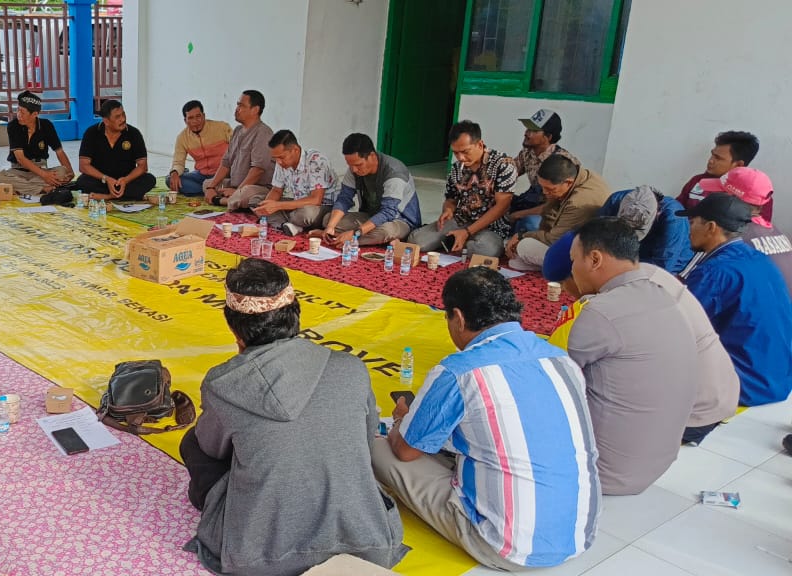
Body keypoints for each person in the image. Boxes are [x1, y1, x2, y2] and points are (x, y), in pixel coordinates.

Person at [181, 258, 407, 575]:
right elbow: (366, 438)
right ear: (295, 315)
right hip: (365, 542)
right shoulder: (351, 367)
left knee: (194, 441)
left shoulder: (224, 383)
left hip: (258, 555)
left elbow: (212, 448)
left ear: (234, 328)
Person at [373, 266, 598, 571]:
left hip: (502, 544)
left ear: (459, 318)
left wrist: (402, 420)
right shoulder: (560, 360)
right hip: (578, 534)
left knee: (376, 445)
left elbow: (405, 451)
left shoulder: (461, 370)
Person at [543, 231, 739, 445]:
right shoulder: (653, 275)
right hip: (721, 398)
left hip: (689, 416)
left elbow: (558, 366)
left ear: (593, 261)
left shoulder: (607, 306)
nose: (565, 291)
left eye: (563, 282)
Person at [566, 218, 699, 494]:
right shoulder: (665, 297)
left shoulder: (601, 311)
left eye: (573, 260)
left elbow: (551, 375)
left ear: (594, 259)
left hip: (601, 470)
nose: (572, 270)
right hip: (655, 463)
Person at [678, 194, 792, 406]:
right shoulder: (760, 260)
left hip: (745, 385)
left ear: (711, 227)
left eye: (692, 222)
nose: (688, 229)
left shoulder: (714, 272)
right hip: (779, 379)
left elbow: (681, 329)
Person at [408, 121, 516, 257]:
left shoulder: (503, 165)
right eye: (455, 153)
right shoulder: (456, 168)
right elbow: (451, 199)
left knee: (484, 251)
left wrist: (468, 232)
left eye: (465, 152)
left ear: (480, 144)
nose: (460, 158)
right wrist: (448, 210)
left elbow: (502, 206)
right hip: (461, 220)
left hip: (491, 226)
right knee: (416, 241)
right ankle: (459, 240)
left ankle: (460, 240)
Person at [681, 166, 792, 298]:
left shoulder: (729, 233)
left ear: (731, 201)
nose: (709, 197)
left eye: (716, 194)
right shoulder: (777, 233)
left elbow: (687, 288)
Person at [505, 154, 611, 271]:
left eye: (550, 189)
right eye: (543, 187)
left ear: (568, 182)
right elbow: (549, 216)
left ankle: (567, 271)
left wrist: (522, 235)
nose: (545, 192)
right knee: (516, 262)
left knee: (524, 246)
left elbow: (554, 239)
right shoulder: (584, 176)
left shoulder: (578, 202)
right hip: (574, 241)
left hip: (583, 256)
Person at [320, 133, 420, 246]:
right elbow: (344, 198)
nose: (354, 170)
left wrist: (355, 234)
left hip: (400, 220)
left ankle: (347, 240)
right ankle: (346, 237)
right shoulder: (354, 169)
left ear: (372, 156)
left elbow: (388, 212)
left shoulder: (394, 172)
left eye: (358, 165)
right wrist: (330, 227)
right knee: (328, 219)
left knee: (385, 231)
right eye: (350, 165)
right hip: (371, 216)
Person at [246, 130, 338, 236]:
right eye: (275, 158)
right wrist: (267, 207)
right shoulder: (281, 163)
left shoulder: (316, 161)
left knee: (306, 214)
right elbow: (276, 190)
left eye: (281, 157)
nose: (278, 162)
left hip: (320, 207)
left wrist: (277, 206)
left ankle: (291, 224)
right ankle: (287, 225)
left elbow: (316, 200)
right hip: (296, 204)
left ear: (295, 150)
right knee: (256, 201)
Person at [0, 91, 76, 195]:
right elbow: (20, 158)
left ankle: (23, 188)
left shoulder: (46, 125)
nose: (19, 115)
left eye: (23, 112)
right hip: (18, 171)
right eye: (18, 110)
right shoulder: (13, 125)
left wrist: (70, 172)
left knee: (62, 172)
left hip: (40, 169)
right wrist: (45, 176)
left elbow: (59, 151)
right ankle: (42, 189)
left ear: (35, 114)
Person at [508, 109, 580, 232]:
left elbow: (553, 206)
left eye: (534, 130)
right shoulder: (527, 152)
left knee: (530, 224)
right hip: (534, 203)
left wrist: (518, 214)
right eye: (527, 129)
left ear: (548, 137)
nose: (526, 133)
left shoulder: (562, 162)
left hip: (555, 211)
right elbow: (510, 174)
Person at [595, 186, 692, 274]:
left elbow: (662, 267)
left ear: (657, 214)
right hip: (627, 256)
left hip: (668, 261)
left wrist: (620, 265)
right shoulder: (615, 200)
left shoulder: (674, 219)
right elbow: (593, 237)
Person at [678, 131, 770, 222]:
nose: (711, 161)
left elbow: (756, 231)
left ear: (738, 165)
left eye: (718, 158)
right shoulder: (698, 180)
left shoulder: (757, 196)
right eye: (712, 154)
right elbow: (675, 210)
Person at [205, 90, 274, 210]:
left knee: (244, 195)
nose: (237, 109)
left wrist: (237, 191)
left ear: (255, 110)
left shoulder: (263, 133)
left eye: (241, 105)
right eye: (237, 105)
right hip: (234, 184)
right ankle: (227, 199)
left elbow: (257, 170)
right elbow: (226, 162)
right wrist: (211, 188)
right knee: (206, 183)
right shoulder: (237, 130)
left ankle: (221, 200)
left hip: (255, 187)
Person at [77, 100, 155, 201]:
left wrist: (125, 180)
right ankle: (126, 196)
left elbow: (143, 166)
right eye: (117, 117)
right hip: (102, 181)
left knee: (149, 179)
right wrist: (106, 179)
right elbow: (83, 166)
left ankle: (107, 197)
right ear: (106, 121)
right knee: (82, 181)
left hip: (126, 180)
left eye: (123, 114)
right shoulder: (91, 133)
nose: (122, 119)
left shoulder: (134, 133)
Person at [167, 100, 232, 196]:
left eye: (198, 116)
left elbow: (238, 148)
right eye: (191, 118)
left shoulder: (222, 127)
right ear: (185, 120)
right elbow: (178, 162)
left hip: (224, 174)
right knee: (170, 179)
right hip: (202, 175)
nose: (195, 121)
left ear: (204, 116)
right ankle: (213, 189)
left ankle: (209, 189)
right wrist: (174, 173)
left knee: (232, 181)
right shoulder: (182, 137)